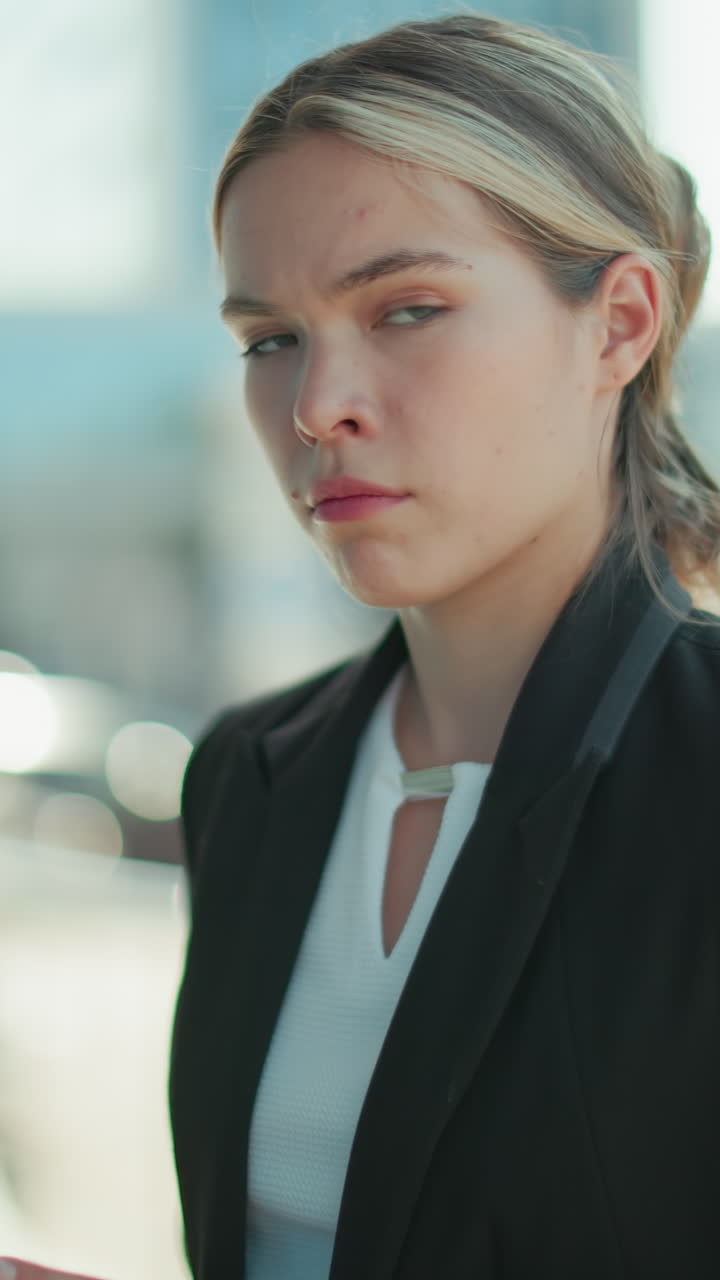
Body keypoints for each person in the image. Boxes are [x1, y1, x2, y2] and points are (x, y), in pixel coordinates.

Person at [5, 10, 719, 1280]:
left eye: (406, 309)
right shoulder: (252, 772)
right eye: (268, 338)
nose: (316, 404)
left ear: (618, 324)